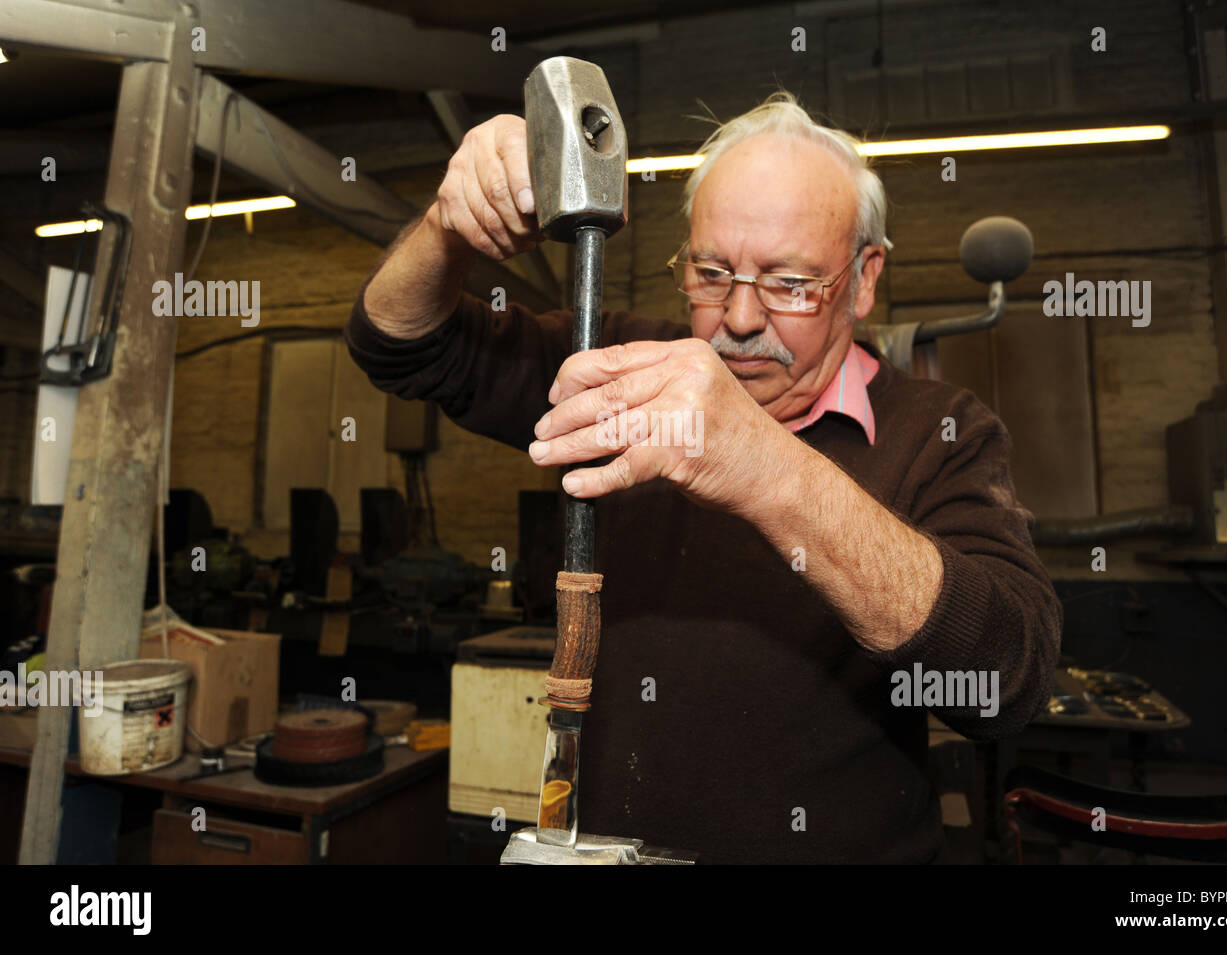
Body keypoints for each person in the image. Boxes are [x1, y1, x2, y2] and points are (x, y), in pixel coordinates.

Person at [346, 93, 1062, 863]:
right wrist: (447, 230)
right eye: (712, 272)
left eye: (790, 283)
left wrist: (765, 467)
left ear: (863, 279)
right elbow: (398, 346)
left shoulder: (942, 430)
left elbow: (1006, 678)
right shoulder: (621, 364)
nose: (742, 318)